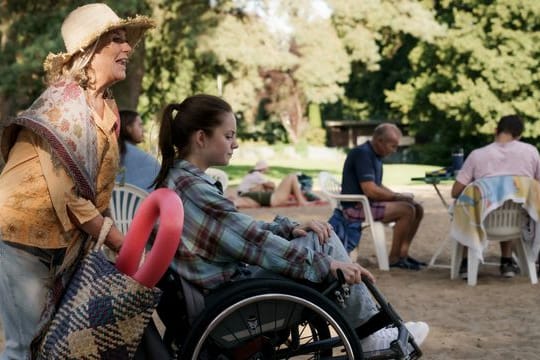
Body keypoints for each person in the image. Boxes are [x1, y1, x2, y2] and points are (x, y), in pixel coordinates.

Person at [153, 94, 429, 353]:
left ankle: (376, 330)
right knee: (324, 242)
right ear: (201, 138)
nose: (235, 144)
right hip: (227, 300)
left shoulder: (181, 180)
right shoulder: (194, 189)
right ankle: (372, 336)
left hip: (215, 291)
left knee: (317, 235)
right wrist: (326, 264)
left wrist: (286, 229)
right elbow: (252, 243)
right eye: (228, 136)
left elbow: (238, 230)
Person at [0, 4, 154, 358]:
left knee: (54, 342)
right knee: (23, 346)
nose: (128, 48)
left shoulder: (107, 107)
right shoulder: (60, 108)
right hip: (22, 237)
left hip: (63, 243)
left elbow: (98, 186)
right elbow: (68, 197)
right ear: (89, 52)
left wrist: (115, 236)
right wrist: (118, 240)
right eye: (117, 40)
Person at [451, 114, 540, 279]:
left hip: (480, 221)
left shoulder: (477, 155)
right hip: (517, 223)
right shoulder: (531, 152)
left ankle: (465, 263)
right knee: (508, 197)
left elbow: (455, 192)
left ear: (495, 130)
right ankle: (506, 262)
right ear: (519, 135)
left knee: (467, 204)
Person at [340, 123, 425, 270]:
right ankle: (393, 258)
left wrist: (400, 196)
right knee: (407, 210)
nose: (394, 150)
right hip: (356, 207)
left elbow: (377, 186)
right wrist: (397, 197)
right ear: (379, 141)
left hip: (367, 203)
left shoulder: (374, 155)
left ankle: (403, 255)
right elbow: (370, 190)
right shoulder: (363, 154)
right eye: (392, 146)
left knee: (417, 208)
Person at [235, 160, 310, 208]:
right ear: (264, 168)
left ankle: (300, 200)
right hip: (272, 199)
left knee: (264, 186)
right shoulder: (257, 175)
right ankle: (301, 201)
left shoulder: (252, 174)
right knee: (292, 176)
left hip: (248, 195)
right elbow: (272, 185)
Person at [117, 109, 160, 191]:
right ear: (129, 128)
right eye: (140, 125)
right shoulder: (146, 161)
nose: (143, 129)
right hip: (142, 203)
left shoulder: (108, 155)